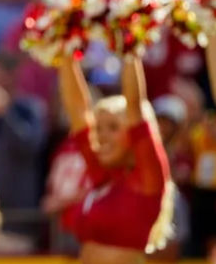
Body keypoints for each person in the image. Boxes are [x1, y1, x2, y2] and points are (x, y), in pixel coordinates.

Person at [57, 53, 173, 263]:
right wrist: (65, 48)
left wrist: (131, 47)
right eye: (99, 129)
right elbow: (78, 110)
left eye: (113, 128)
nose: (101, 137)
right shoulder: (101, 174)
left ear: (135, 135)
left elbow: (135, 107)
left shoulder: (147, 180)